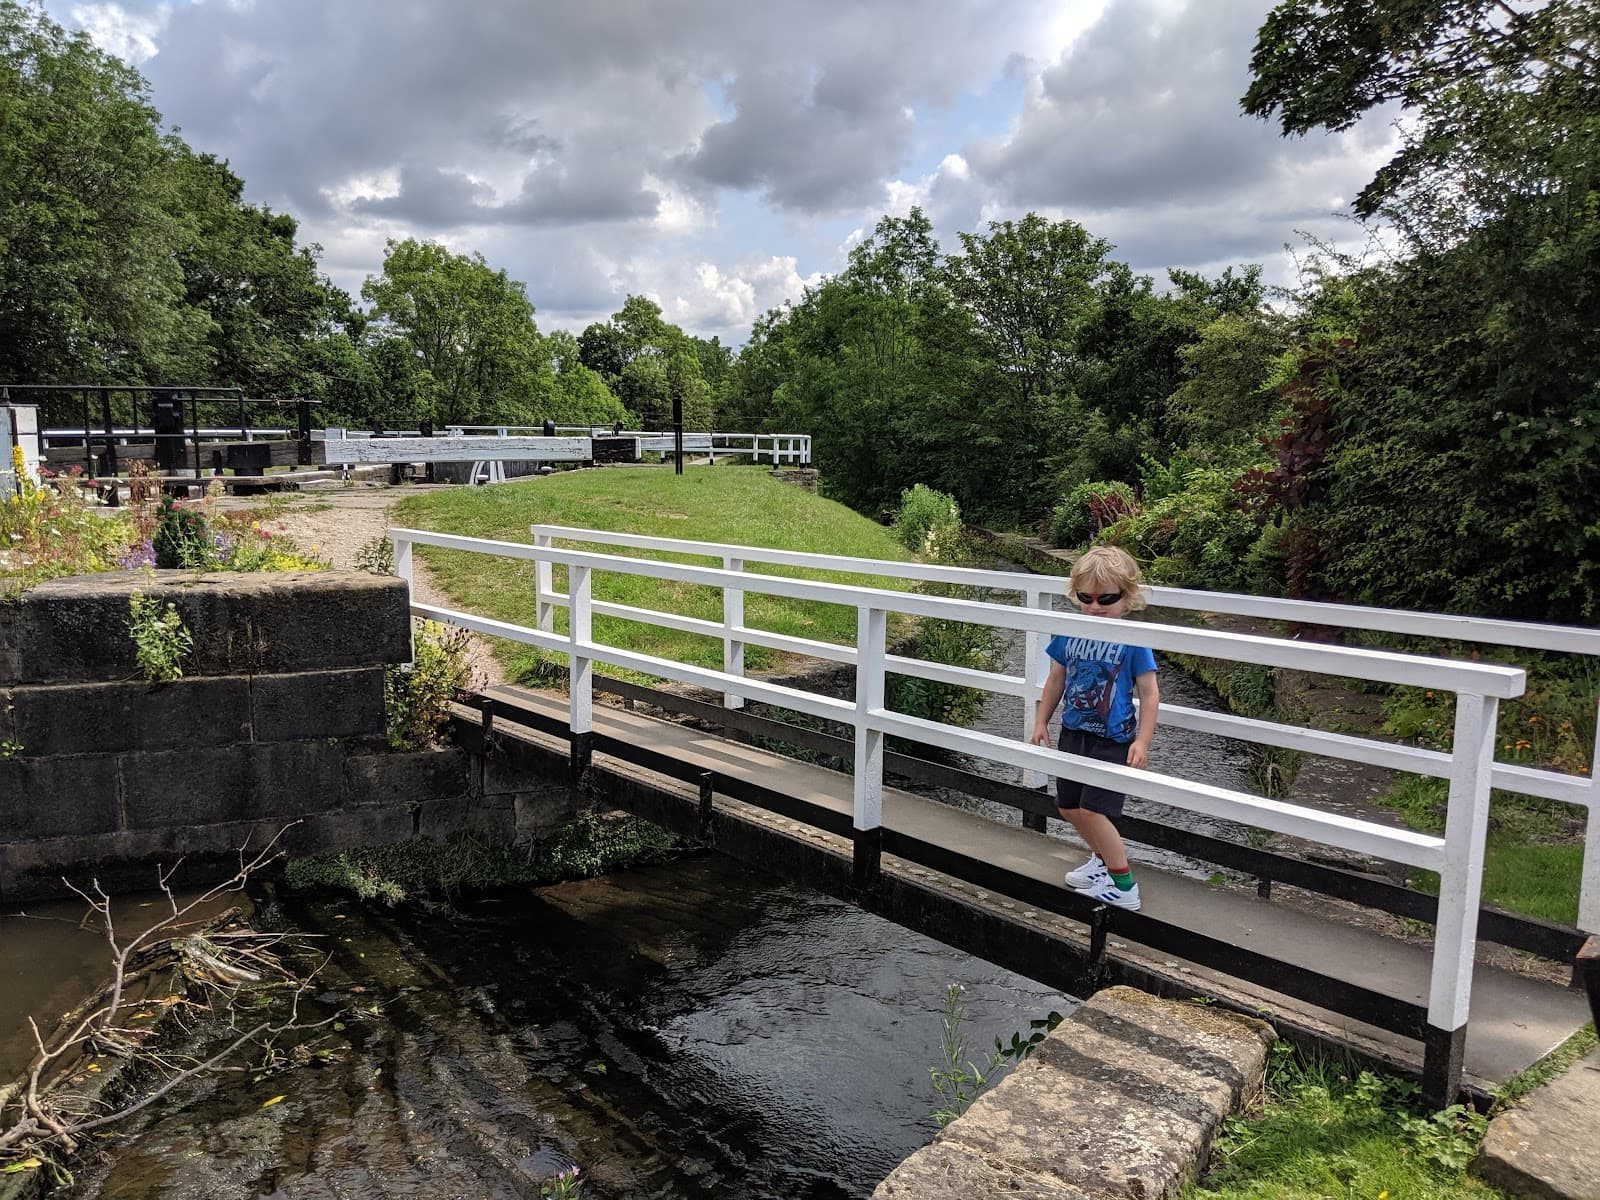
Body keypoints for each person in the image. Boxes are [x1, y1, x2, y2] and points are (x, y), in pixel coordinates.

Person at [1029, 545, 1159, 911]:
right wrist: (1041, 721)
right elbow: (1056, 680)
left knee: (1095, 811)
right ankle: (1102, 862)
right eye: (1086, 598)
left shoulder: (1132, 641)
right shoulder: (1070, 631)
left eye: (1107, 599)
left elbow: (1149, 694)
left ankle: (1124, 886)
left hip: (1113, 739)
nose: (1095, 607)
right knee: (1069, 806)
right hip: (1075, 733)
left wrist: (1142, 742)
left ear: (1128, 596)